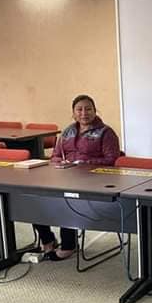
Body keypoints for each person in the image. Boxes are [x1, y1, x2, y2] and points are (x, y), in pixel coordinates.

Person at [34, 94, 120, 261]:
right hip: (66, 176)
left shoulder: (106, 132)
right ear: (73, 113)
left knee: (66, 198)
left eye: (88, 109)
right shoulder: (68, 131)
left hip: (93, 180)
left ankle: (69, 245)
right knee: (36, 197)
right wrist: (60, 162)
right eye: (79, 110)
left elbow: (112, 160)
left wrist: (84, 162)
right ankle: (47, 239)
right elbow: (55, 155)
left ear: (95, 111)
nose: (84, 113)